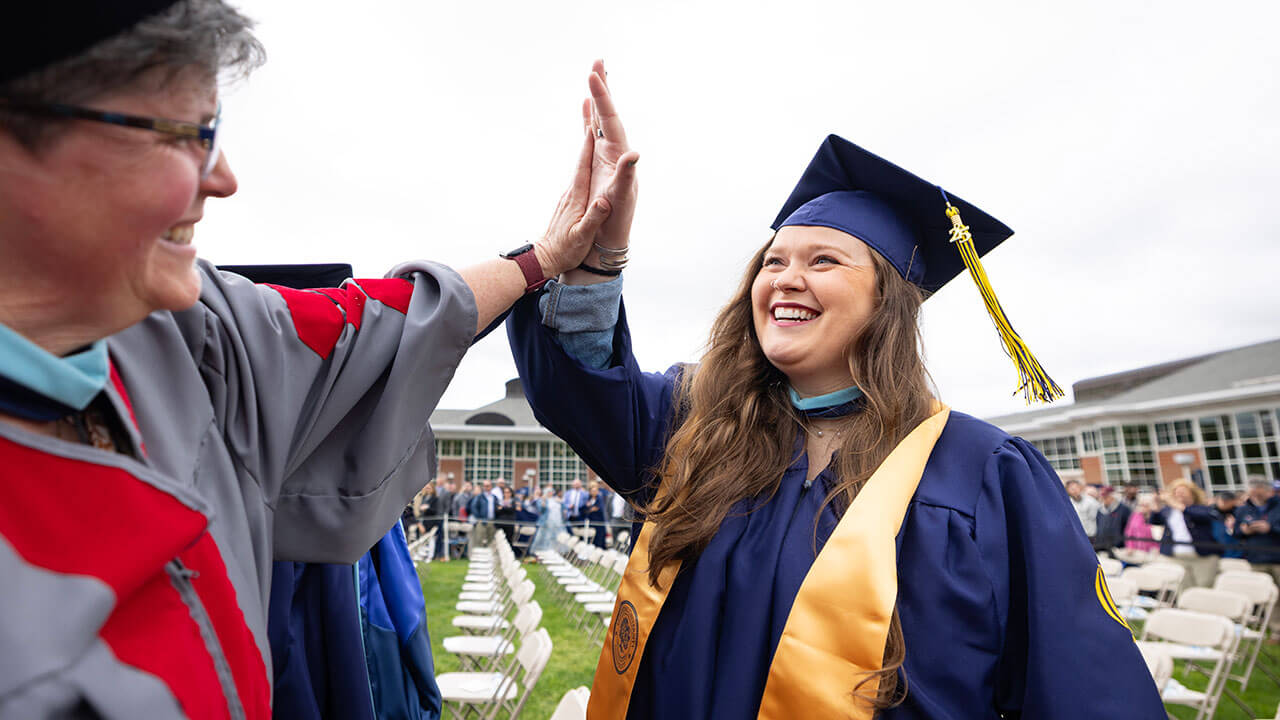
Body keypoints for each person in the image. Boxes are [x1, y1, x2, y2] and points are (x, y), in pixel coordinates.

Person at [0, 4, 636, 715]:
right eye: (189, 135)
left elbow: (369, 326)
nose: (224, 178)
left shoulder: (188, 338)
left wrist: (545, 258)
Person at [507, 68, 1161, 718]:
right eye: (773, 261)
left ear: (889, 303)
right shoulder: (695, 426)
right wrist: (596, 260)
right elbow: (579, 382)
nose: (786, 279)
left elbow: (1084, 691)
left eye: (823, 260)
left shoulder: (982, 478)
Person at [1147, 480, 1218, 588]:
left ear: (1193, 494)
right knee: (1181, 587)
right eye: (1176, 491)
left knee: (1203, 586)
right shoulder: (1169, 510)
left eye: (1183, 491)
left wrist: (1175, 503)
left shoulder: (1202, 508)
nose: (1178, 494)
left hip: (1202, 557)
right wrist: (1156, 504)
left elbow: (1202, 516)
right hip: (1176, 556)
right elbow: (1154, 521)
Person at [1235, 477, 1280, 583]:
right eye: (1253, 492)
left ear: (1268, 491)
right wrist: (1244, 531)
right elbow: (1236, 533)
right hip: (1256, 560)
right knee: (1262, 593)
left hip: (1277, 559)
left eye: (1259, 491)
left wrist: (1270, 529)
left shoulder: (1278, 507)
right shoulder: (1242, 510)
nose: (1256, 496)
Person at [530, 486, 566, 555]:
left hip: (557, 523)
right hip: (546, 523)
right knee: (543, 538)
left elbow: (563, 509)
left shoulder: (556, 500)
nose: (550, 493)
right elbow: (541, 511)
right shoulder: (541, 500)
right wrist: (543, 503)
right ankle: (539, 553)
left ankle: (556, 553)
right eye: (548, 492)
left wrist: (562, 506)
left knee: (556, 538)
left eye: (551, 492)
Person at [1094, 487, 1131, 553]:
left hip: (1118, 547)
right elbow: (1098, 525)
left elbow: (1128, 528)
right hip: (1102, 546)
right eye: (1102, 496)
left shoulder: (1124, 509)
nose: (1103, 498)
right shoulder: (1100, 510)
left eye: (1106, 496)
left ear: (1113, 496)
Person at [1211, 491, 1241, 558]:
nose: (1224, 503)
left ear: (1233, 501)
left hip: (1235, 549)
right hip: (1217, 547)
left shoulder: (1238, 512)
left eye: (1227, 501)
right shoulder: (1210, 511)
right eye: (1223, 500)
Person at [584, 480, 608, 548]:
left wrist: (592, 508)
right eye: (592, 490)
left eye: (595, 490)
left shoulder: (600, 498)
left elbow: (599, 508)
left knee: (599, 539)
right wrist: (591, 508)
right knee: (591, 539)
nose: (594, 492)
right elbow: (586, 509)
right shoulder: (588, 498)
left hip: (599, 522)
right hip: (591, 521)